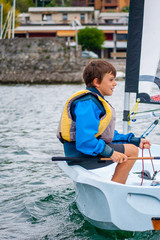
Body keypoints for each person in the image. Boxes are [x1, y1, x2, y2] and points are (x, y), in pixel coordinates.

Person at [57, 60, 151, 184]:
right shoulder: (88, 103)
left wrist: (134, 140)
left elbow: (104, 135)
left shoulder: (94, 101)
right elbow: (85, 141)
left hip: (84, 152)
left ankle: (116, 184)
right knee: (132, 151)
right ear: (97, 82)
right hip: (81, 154)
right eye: (111, 80)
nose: (115, 83)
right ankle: (116, 187)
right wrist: (110, 153)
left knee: (132, 146)